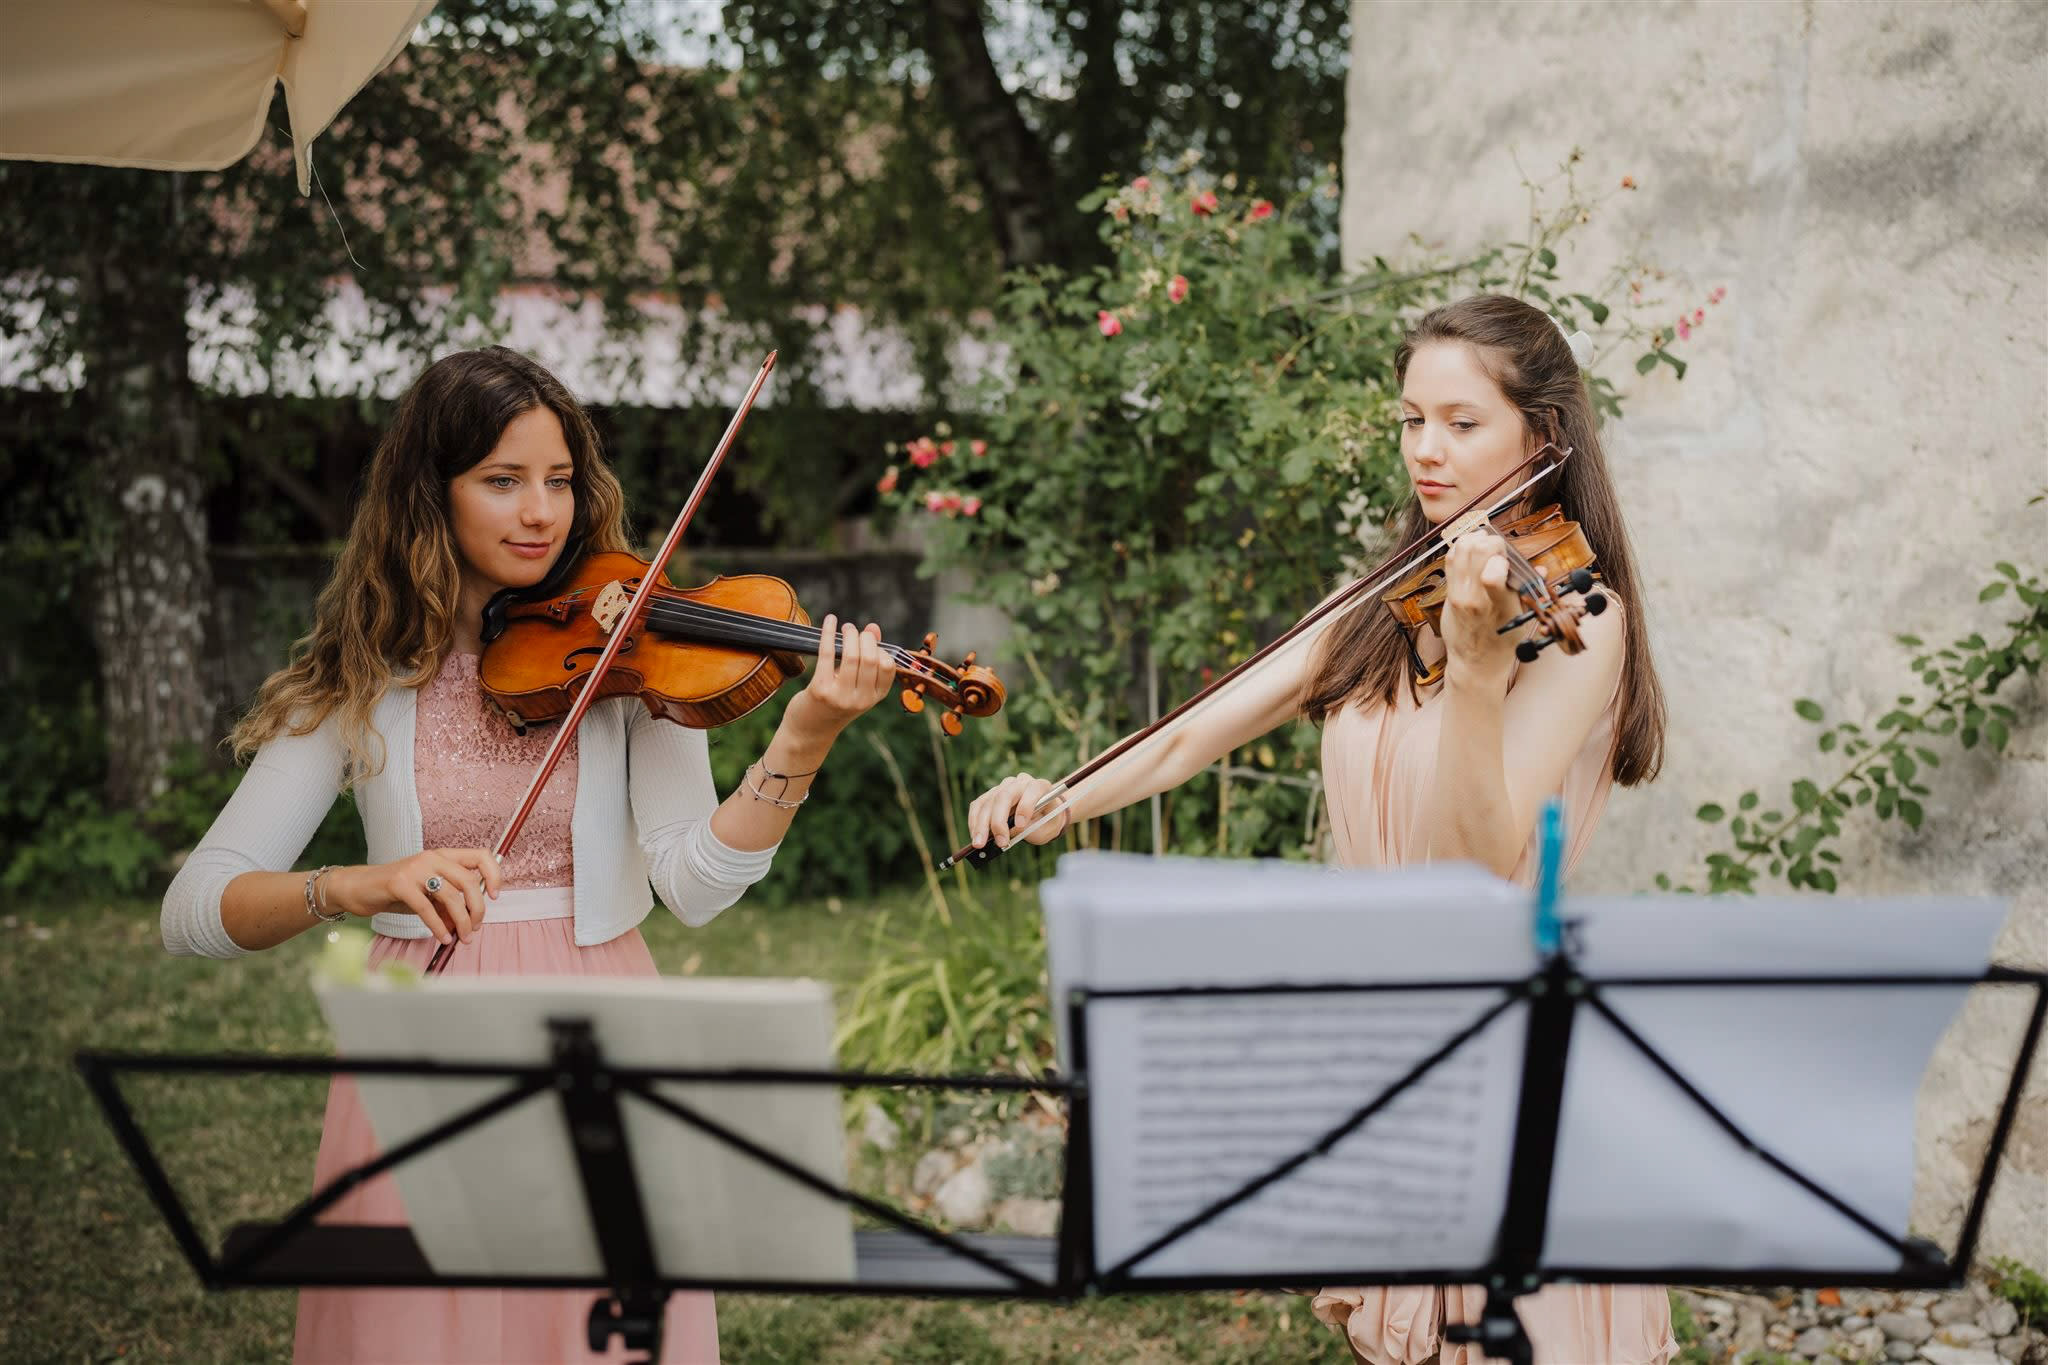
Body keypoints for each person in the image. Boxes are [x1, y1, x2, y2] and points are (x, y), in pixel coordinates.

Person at [965, 294, 1675, 1365]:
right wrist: (1058, 796)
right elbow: (1187, 734)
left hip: (1502, 1040)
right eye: (1410, 420)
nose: (1425, 450)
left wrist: (1475, 675)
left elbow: (1478, 865)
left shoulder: (1583, 620)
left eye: (1461, 422)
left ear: (1542, 436)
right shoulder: (1383, 601)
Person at [162, 346, 896, 1364]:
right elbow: (195, 909)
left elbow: (694, 885)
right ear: (432, 493)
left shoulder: (626, 644)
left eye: (559, 480)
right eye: (502, 481)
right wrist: (360, 886)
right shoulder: (363, 677)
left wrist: (803, 738)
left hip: (600, 1020)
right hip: (423, 1035)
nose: (541, 512)